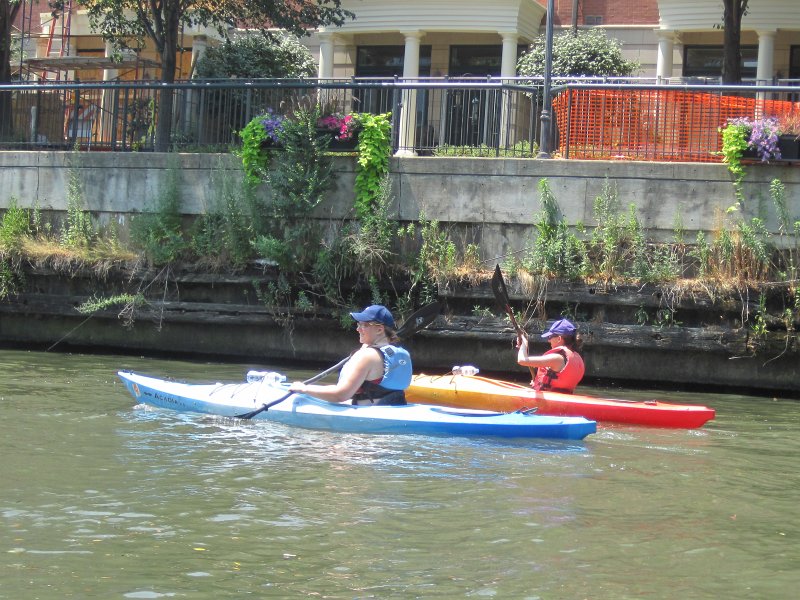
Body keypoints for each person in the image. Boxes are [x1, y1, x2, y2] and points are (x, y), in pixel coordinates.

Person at [288, 305, 412, 405]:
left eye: (364, 325)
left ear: (379, 329)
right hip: (397, 407)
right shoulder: (401, 354)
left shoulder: (366, 356)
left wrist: (304, 389)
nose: (358, 329)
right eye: (358, 324)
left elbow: (340, 395)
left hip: (366, 426)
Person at [516, 318, 585, 394]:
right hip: (564, 398)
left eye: (550, 337)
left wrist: (524, 344)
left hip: (550, 401)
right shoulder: (577, 357)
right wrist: (536, 383)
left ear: (559, 339)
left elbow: (522, 360)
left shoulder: (557, 358)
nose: (549, 340)